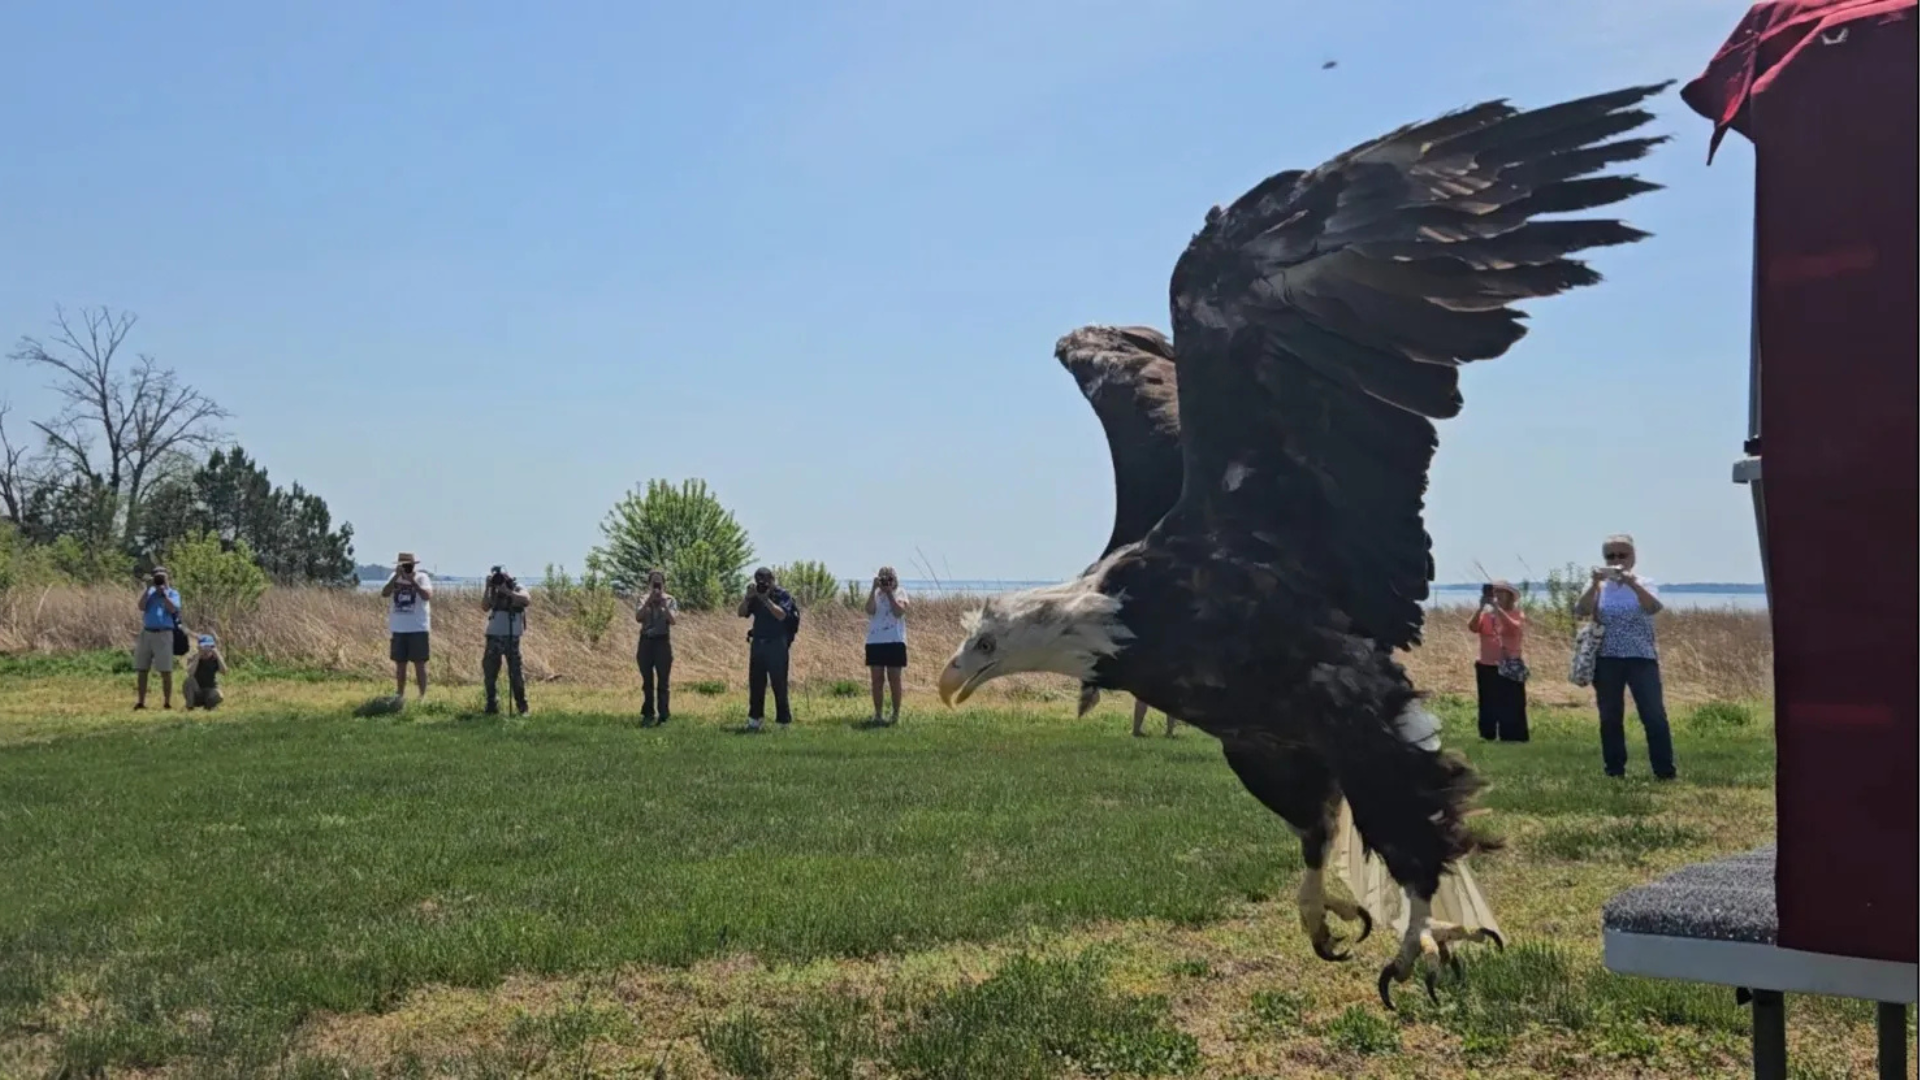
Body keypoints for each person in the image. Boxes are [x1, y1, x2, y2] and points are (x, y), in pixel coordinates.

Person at [1574, 533, 1676, 780]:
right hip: (1607, 658)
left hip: (1641, 657)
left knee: (1653, 715)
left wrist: (1632, 584)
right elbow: (1580, 611)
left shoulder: (1645, 582)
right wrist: (1594, 584)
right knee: (1610, 716)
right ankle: (1614, 770)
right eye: (1610, 556)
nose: (1616, 561)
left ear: (1633, 557)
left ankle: (1664, 770)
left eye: (1622, 555)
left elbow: (1653, 608)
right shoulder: (1599, 587)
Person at [736, 566, 798, 730]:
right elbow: (741, 613)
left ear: (772, 580)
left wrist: (766, 600)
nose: (763, 585)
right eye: (759, 581)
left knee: (779, 683)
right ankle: (755, 719)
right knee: (756, 682)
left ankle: (783, 721)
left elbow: (782, 615)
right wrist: (748, 598)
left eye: (765, 581)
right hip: (758, 642)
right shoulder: (755, 595)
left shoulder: (781, 594)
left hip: (777, 643)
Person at [1467, 580, 1529, 742]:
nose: (1497, 596)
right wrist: (1481, 608)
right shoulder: (1486, 615)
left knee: (1512, 702)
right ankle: (1487, 734)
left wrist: (1498, 610)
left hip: (1509, 665)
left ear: (1510, 597)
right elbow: (1473, 627)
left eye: (1501, 593)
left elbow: (1513, 628)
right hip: (1487, 664)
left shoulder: (1516, 614)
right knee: (1487, 702)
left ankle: (1513, 735)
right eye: (1495, 593)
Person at [380, 552, 434, 701]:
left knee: (419, 663)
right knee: (400, 664)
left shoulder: (422, 577)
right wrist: (397, 577)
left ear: (414, 565)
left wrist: (412, 581)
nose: (406, 568)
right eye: (403, 566)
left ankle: (422, 696)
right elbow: (384, 593)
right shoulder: (394, 577)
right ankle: (400, 695)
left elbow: (427, 596)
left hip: (418, 628)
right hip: (399, 628)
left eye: (408, 566)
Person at [481, 565, 531, 715]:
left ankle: (522, 706)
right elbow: (485, 606)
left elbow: (526, 600)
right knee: (490, 672)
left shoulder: (517, 587)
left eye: (502, 576)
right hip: (494, 635)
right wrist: (488, 587)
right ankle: (491, 704)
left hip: (512, 636)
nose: (499, 579)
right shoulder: (493, 590)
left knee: (516, 672)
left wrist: (508, 591)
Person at [863, 566, 909, 725]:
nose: (887, 581)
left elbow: (899, 612)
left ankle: (895, 714)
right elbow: (869, 610)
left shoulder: (900, 593)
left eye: (890, 578)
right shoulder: (875, 594)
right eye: (883, 578)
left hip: (895, 641)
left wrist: (889, 593)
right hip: (875, 641)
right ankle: (878, 714)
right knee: (877, 680)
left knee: (894, 679)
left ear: (895, 579)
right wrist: (874, 588)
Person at [133, 566, 183, 710]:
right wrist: (148, 589)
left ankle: (167, 702)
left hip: (164, 634)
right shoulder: (149, 593)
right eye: (156, 576)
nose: (159, 579)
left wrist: (164, 593)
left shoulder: (173, 593)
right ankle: (141, 702)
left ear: (167, 578)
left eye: (162, 577)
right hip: (147, 633)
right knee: (142, 669)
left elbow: (173, 609)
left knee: (166, 670)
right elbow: (141, 607)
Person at [635, 568, 678, 725]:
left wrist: (663, 606)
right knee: (647, 681)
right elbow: (638, 617)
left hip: (662, 641)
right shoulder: (642, 599)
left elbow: (673, 620)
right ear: (649, 584)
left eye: (659, 582)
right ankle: (648, 714)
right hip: (646, 641)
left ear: (664, 584)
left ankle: (664, 714)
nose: (657, 586)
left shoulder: (670, 600)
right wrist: (649, 601)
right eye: (654, 583)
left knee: (663, 681)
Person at [183, 633, 225, 711]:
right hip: (197, 691)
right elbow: (190, 673)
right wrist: (198, 656)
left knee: (218, 695)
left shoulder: (215, 659)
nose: (206, 650)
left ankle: (209, 706)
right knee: (189, 681)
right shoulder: (193, 657)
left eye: (208, 647)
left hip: (210, 689)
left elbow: (224, 672)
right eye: (204, 647)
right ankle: (190, 706)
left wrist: (217, 655)